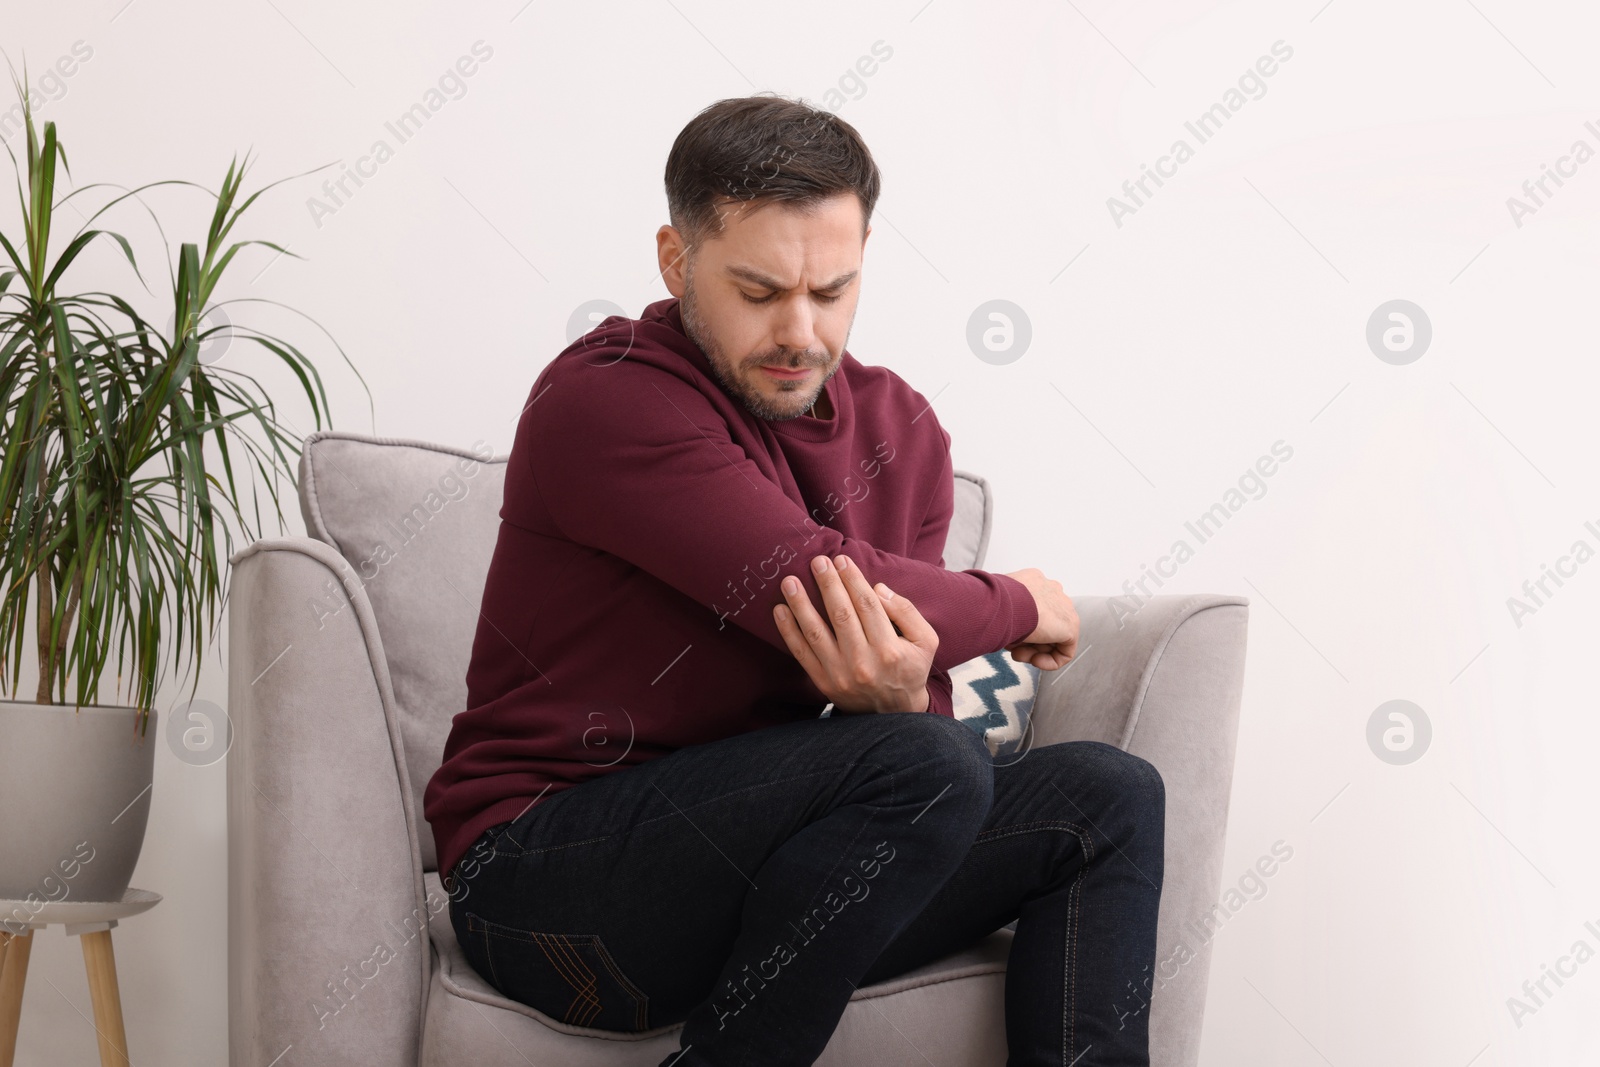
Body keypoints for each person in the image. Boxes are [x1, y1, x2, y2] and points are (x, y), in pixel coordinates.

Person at [422, 93, 1165, 1067]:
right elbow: (814, 580)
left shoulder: (901, 431)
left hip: (758, 875)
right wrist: (1021, 599)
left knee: (1105, 796)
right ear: (677, 261)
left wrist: (901, 695)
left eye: (831, 291)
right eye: (760, 290)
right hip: (549, 883)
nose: (801, 332)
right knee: (924, 763)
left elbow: (923, 749)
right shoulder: (604, 396)